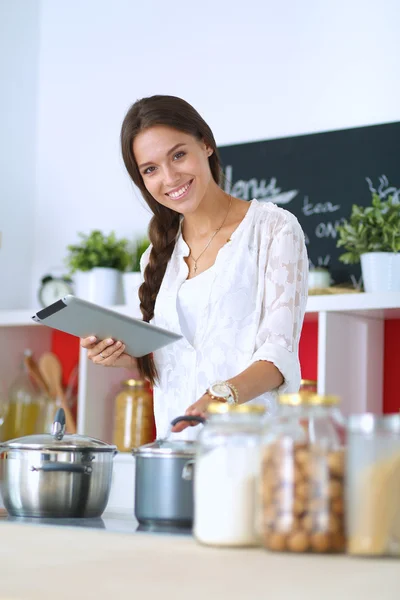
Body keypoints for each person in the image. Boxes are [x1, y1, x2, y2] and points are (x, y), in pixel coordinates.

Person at [80, 95, 309, 440]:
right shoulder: (156, 255)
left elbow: (279, 357)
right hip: (175, 451)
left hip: (252, 450)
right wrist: (128, 357)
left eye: (178, 154)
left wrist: (220, 395)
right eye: (151, 169)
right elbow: (178, 361)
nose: (170, 177)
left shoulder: (273, 229)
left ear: (206, 145)